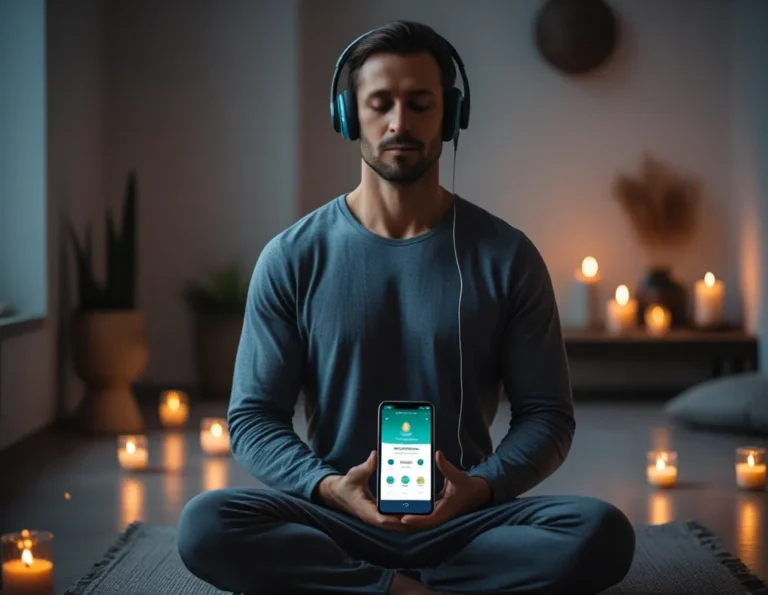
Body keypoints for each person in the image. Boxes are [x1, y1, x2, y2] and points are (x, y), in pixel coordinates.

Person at [177, 20, 636, 595]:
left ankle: (372, 588)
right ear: (349, 116)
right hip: (338, 518)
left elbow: (547, 415)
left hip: (464, 520)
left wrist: (482, 486)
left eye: (421, 104)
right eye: (380, 104)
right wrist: (324, 486)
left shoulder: (507, 256)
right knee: (205, 525)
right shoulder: (292, 257)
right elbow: (252, 419)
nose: (400, 123)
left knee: (601, 532)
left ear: (451, 115)